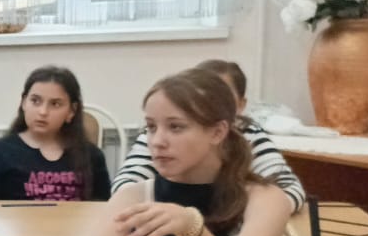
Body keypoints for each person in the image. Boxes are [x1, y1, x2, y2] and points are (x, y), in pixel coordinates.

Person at [93, 69, 291, 236]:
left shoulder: (265, 198)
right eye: (151, 127)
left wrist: (192, 228)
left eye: (176, 127)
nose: (157, 142)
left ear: (217, 132)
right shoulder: (134, 195)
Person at [112, 60, 305, 212]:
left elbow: (289, 189)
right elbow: (124, 185)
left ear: (240, 106)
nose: (158, 141)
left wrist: (253, 213)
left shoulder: (249, 134)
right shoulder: (157, 135)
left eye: (221, 98)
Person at [0, 66, 109, 202]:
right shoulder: (0, 152)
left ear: (72, 111)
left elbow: (103, 207)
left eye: (55, 104)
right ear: (23, 103)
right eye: (35, 101)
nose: (43, 112)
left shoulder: (92, 156)